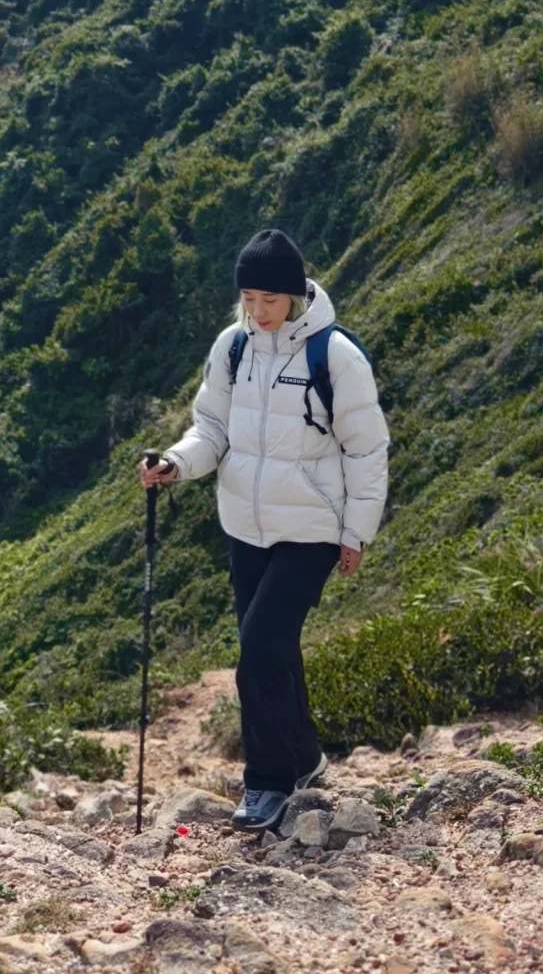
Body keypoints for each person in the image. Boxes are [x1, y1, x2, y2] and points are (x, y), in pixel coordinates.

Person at [139, 229, 389, 832]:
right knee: (273, 648)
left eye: (269, 300)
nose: (258, 311)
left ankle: (268, 781)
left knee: (259, 650)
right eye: (249, 298)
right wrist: (176, 463)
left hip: (311, 528)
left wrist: (355, 532)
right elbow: (212, 429)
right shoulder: (232, 348)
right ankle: (303, 759)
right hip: (245, 527)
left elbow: (367, 449)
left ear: (297, 294)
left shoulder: (334, 357)